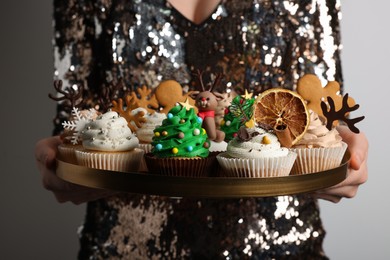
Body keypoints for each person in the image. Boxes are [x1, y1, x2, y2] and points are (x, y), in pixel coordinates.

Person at [35, 0, 368, 258]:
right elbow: (75, 117)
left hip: (281, 249)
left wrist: (340, 148)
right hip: (124, 248)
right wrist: (62, 159)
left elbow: (319, 111)